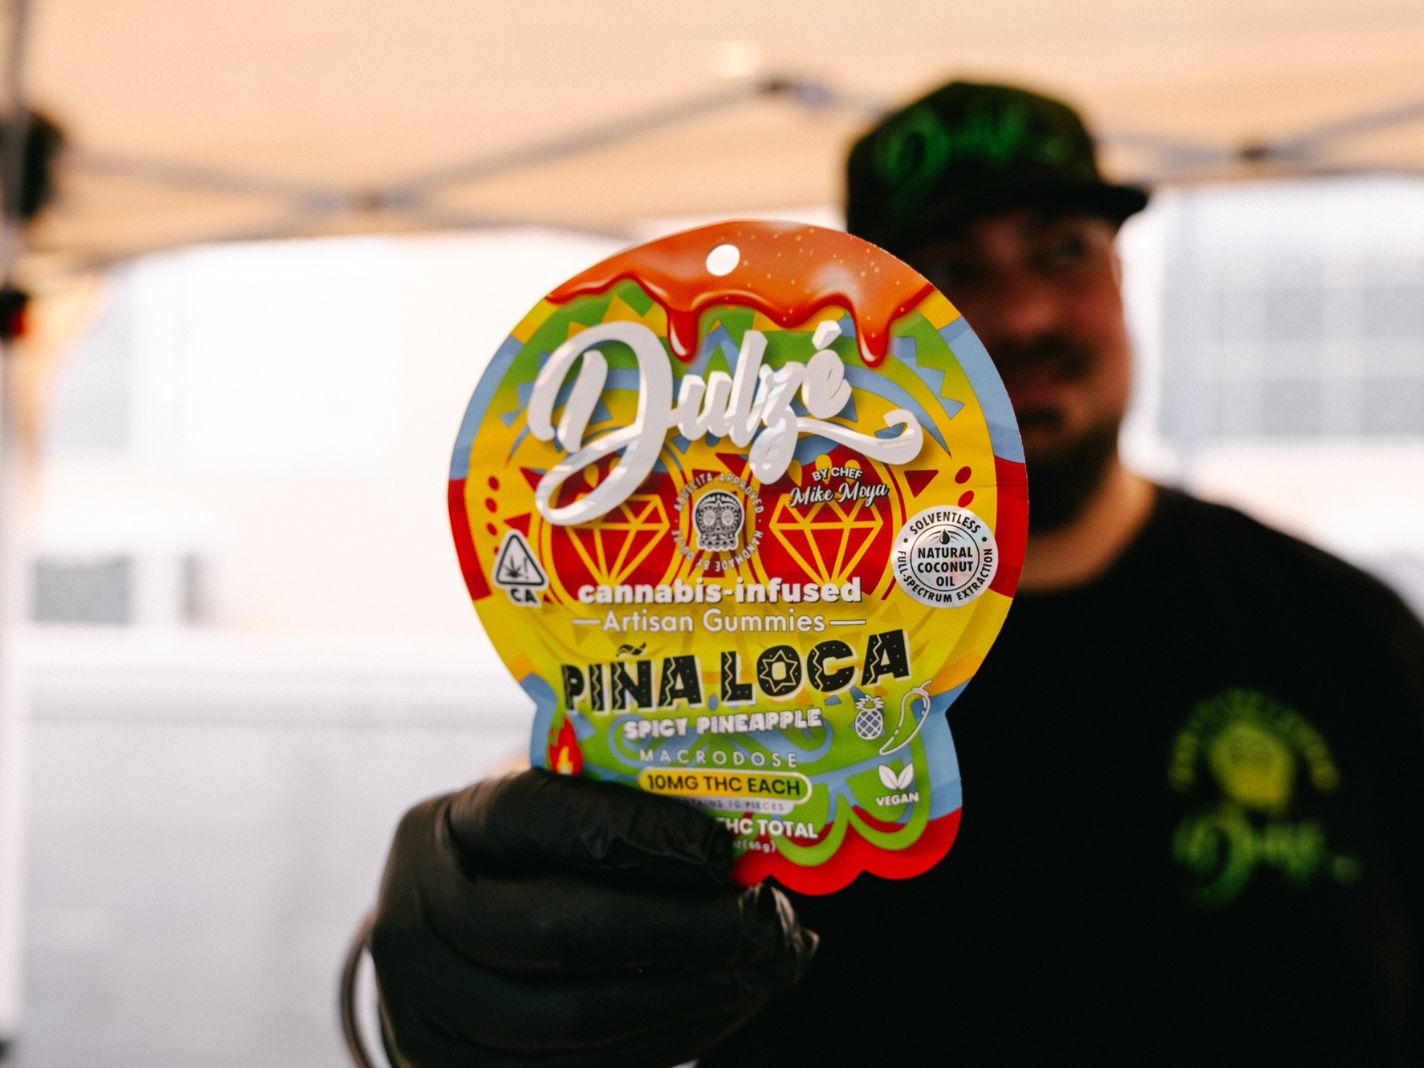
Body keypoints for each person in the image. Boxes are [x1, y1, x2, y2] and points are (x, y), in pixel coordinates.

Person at [368, 81, 1424, 1066]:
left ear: (1119, 275)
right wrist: (445, 965)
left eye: (1062, 250)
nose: (1024, 318)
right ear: (865, 340)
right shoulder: (751, 639)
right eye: (954, 275)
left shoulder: (1337, 628)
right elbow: (567, 885)